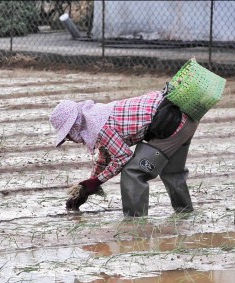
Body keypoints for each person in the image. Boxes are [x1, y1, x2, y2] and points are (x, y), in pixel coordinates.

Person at [49, 88, 199, 217]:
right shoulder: (97, 116)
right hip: (185, 118)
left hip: (172, 123)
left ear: (75, 125)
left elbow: (122, 157)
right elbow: (105, 156)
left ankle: (135, 224)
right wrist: (86, 188)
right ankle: (185, 215)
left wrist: (96, 181)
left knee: (133, 172)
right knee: (172, 172)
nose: (69, 138)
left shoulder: (100, 126)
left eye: (68, 134)